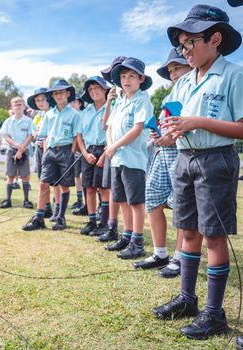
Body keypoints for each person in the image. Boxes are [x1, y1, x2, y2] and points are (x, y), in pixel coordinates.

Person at [152, 4, 243, 340]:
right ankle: (187, 299)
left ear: (215, 38)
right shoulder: (184, 82)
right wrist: (168, 130)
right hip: (184, 158)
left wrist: (198, 122)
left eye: (190, 43)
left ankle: (214, 314)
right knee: (188, 230)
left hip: (216, 160)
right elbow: (173, 119)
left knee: (213, 236)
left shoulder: (234, 74)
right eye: (181, 46)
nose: (185, 51)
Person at [133, 49, 192, 277]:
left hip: (183, 153)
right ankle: (160, 253)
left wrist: (171, 135)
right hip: (163, 153)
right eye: (171, 70)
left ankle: (179, 257)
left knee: (180, 207)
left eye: (178, 67)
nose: (174, 73)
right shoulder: (169, 95)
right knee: (153, 199)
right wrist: (158, 135)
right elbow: (164, 124)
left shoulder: (194, 91)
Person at [104, 57, 154, 259]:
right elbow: (109, 126)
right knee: (122, 199)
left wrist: (114, 145)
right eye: (123, 76)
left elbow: (138, 128)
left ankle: (138, 241)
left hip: (133, 159)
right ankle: (126, 236)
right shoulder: (120, 101)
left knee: (135, 202)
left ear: (141, 79)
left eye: (132, 76)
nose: (126, 80)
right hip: (117, 158)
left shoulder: (143, 100)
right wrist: (110, 144)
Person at [22, 79, 80, 231]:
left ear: (68, 93)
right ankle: (39, 217)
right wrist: (47, 150)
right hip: (50, 151)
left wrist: (72, 153)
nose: (58, 95)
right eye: (55, 93)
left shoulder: (74, 114)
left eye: (61, 92)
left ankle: (60, 217)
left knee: (64, 186)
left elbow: (76, 137)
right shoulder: (49, 114)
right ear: (52, 96)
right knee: (43, 183)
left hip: (66, 150)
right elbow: (44, 134)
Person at [76, 76, 111, 236]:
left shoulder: (112, 107)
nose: (94, 91)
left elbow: (113, 133)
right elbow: (79, 136)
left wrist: (104, 155)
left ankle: (104, 223)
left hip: (105, 149)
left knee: (103, 189)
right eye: (90, 89)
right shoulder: (85, 111)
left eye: (97, 88)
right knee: (89, 188)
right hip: (88, 151)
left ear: (104, 89)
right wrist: (84, 153)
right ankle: (91, 221)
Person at [96, 56, 126, 242]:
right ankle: (111, 227)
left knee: (126, 196)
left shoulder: (134, 96)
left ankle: (129, 233)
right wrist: (108, 101)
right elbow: (105, 125)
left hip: (125, 151)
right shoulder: (116, 97)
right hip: (112, 151)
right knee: (113, 190)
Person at [0, 96, 34, 209]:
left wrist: (22, 148)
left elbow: (30, 136)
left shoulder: (29, 121)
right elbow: (6, 136)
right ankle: (8, 200)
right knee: (10, 175)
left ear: (24, 107)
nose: (18, 106)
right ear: (12, 107)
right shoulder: (8, 121)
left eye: (20, 104)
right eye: (16, 104)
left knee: (25, 176)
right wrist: (17, 146)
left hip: (24, 151)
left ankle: (26, 200)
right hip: (11, 150)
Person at [28, 87, 57, 219]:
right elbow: (34, 132)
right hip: (39, 150)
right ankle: (46, 207)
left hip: (51, 149)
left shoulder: (53, 113)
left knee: (55, 181)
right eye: (37, 100)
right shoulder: (38, 116)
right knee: (42, 179)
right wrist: (37, 135)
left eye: (43, 99)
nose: (40, 103)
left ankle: (58, 207)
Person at [70, 94, 87, 216]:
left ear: (80, 103)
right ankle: (79, 200)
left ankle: (89, 203)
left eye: (75, 102)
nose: (72, 104)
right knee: (76, 175)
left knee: (85, 176)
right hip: (75, 149)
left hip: (85, 148)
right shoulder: (70, 115)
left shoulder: (83, 114)